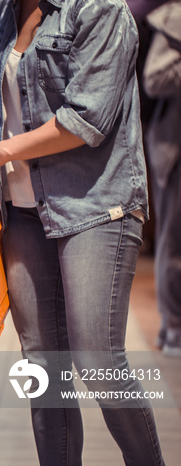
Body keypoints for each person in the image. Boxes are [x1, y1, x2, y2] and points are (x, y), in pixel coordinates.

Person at [0, 0, 166, 464]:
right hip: (23, 212)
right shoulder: (9, 10)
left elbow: (88, 120)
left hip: (96, 206)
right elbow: (5, 114)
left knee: (96, 361)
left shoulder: (99, 9)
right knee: (41, 366)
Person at [142, 0, 181, 357]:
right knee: (174, 241)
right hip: (175, 148)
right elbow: (155, 79)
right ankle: (174, 327)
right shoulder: (174, 19)